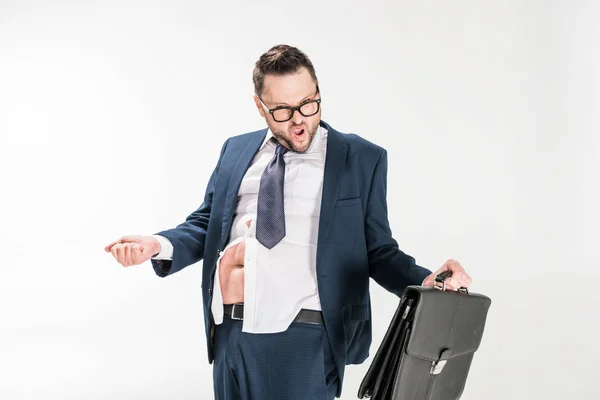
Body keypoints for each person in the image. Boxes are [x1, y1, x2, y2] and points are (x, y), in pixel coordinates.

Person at [104, 44, 473, 400]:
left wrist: (426, 281)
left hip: (303, 337)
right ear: (260, 107)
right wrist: (156, 244)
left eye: (308, 104)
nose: (299, 119)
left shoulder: (360, 158)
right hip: (230, 333)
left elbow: (378, 250)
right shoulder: (235, 150)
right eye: (282, 110)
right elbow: (206, 224)